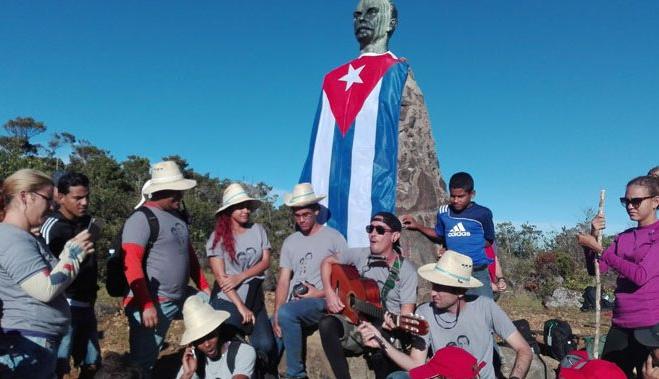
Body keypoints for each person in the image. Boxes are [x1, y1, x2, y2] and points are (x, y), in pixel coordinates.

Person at [358, 250, 532, 379]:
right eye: (434, 286)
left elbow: (524, 349)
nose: (433, 293)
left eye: (441, 288)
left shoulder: (485, 306)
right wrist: (382, 343)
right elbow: (416, 365)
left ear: (460, 291)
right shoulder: (424, 312)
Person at [0, 169, 94, 378]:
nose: (52, 206)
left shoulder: (27, 237)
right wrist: (72, 255)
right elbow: (46, 289)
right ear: (25, 196)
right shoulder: (12, 239)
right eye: (47, 199)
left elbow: (55, 279)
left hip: (37, 338)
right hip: (29, 339)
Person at [122, 161, 210, 378]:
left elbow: (188, 256)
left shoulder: (177, 217)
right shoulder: (141, 218)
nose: (180, 196)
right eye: (176, 191)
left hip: (181, 296)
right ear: (163, 191)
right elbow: (131, 262)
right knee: (143, 363)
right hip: (154, 301)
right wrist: (145, 303)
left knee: (214, 310)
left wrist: (204, 287)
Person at [319, 212, 418, 379]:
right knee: (327, 324)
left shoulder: (407, 271)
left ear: (394, 236)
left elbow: (406, 315)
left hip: (386, 328)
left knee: (379, 347)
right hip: (356, 321)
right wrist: (330, 293)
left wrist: (395, 324)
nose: (372, 233)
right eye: (370, 228)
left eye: (380, 230)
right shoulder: (360, 254)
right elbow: (327, 262)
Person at [577, 175, 659, 378]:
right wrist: (593, 236)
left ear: (656, 201)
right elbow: (597, 269)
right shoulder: (624, 236)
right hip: (621, 321)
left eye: (636, 201)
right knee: (609, 373)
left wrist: (599, 249)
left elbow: (641, 276)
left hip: (650, 324)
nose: (630, 206)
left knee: (647, 374)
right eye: (626, 201)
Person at [272, 183, 347, 379]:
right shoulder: (290, 242)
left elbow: (346, 281)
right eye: (297, 215)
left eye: (305, 214)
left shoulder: (334, 238)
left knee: (288, 314)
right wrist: (277, 313)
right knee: (267, 334)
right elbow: (283, 281)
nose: (301, 219)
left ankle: (296, 374)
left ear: (316, 211)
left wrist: (319, 293)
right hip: (293, 304)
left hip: (322, 300)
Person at [206, 182, 277, 377]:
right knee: (228, 338)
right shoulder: (216, 238)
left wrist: (241, 276)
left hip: (254, 296)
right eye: (239, 207)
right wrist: (240, 307)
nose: (245, 210)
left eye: (247, 206)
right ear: (229, 210)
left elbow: (265, 262)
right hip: (229, 298)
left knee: (265, 344)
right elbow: (222, 279)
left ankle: (262, 372)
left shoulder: (258, 230)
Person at [40, 172, 100, 378]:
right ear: (60, 197)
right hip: (64, 305)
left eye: (87, 197)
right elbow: (44, 271)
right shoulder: (51, 227)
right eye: (77, 198)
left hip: (87, 302)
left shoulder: (88, 222)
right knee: (59, 365)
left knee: (91, 362)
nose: (84, 203)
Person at [402, 172, 496, 299]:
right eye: (452, 196)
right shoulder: (444, 212)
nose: (456, 200)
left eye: (461, 196)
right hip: (452, 272)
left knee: (485, 308)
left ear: (472, 194)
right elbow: (438, 234)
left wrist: (470, 245)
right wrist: (418, 226)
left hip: (478, 270)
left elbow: (489, 240)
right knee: (453, 309)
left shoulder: (483, 213)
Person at [177, 296, 256, 379]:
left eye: (211, 336)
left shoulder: (243, 352)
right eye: (200, 340)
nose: (207, 344)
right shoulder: (192, 362)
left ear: (218, 330)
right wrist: (187, 374)